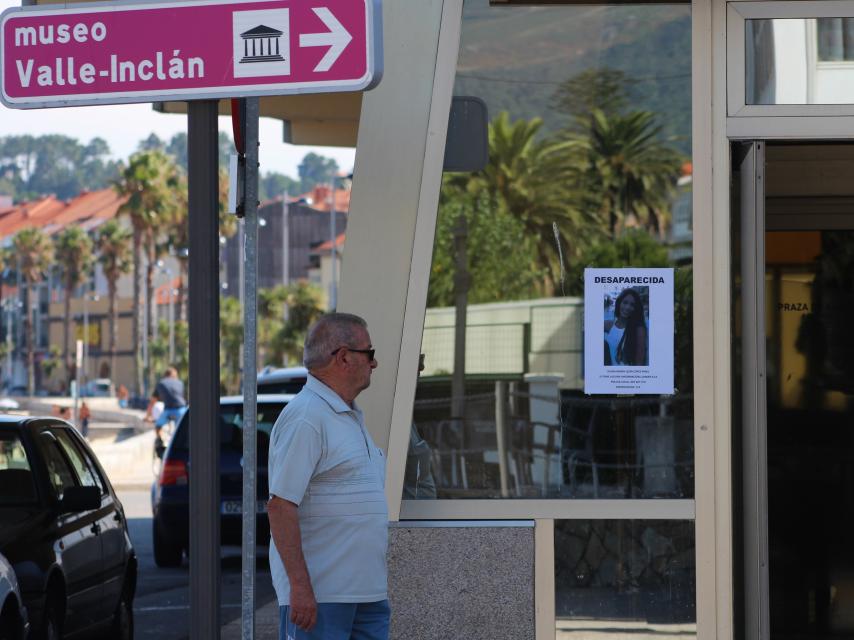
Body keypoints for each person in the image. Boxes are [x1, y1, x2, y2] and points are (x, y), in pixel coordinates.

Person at [267, 313, 389, 640]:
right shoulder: (306, 417)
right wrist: (301, 588)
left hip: (367, 595)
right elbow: (280, 507)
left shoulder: (348, 415)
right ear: (344, 357)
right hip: (322, 599)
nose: (374, 363)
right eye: (370, 353)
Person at [604, 288, 648, 366]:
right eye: (625, 302)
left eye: (632, 305)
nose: (627, 307)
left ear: (636, 309)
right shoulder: (609, 325)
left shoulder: (639, 329)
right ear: (619, 303)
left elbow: (639, 363)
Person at [144, 367, 187, 441]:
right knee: (181, 430)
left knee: (158, 426)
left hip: (168, 411)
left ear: (165, 375)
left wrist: (147, 416)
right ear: (174, 375)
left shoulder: (161, 383)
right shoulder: (180, 383)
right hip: (181, 410)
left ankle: (160, 443)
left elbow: (152, 402)